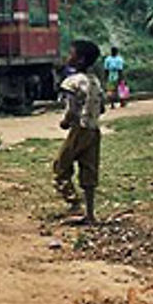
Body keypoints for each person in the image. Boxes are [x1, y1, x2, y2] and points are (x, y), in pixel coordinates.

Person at [53, 40, 105, 224]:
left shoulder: (72, 82)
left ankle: (74, 204)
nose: (68, 56)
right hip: (94, 130)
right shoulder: (95, 81)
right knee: (89, 171)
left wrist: (65, 122)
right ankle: (90, 215)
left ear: (80, 60)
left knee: (60, 166)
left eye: (71, 53)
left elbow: (72, 109)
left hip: (79, 130)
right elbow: (102, 108)